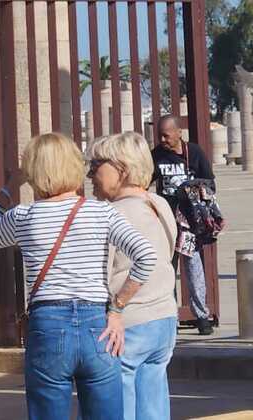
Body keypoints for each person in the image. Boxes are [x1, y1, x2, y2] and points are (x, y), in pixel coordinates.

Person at [0, 132, 157, 420]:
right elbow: (146, 256)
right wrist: (118, 309)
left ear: (34, 171)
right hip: (98, 324)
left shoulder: (23, 217)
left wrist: (10, 186)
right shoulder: (102, 213)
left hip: (47, 324)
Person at [86, 132, 178, 420]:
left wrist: (116, 307)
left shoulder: (111, 215)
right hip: (164, 318)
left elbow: (101, 271)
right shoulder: (159, 204)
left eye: (97, 164)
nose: (90, 173)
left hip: (128, 324)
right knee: (153, 405)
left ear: (121, 169)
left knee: (118, 407)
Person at [151, 115, 215, 335]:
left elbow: (210, 182)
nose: (162, 140)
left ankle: (202, 316)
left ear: (179, 133)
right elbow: (144, 181)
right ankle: (170, 316)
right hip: (166, 222)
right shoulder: (156, 155)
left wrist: (194, 190)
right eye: (159, 135)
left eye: (166, 135)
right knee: (168, 269)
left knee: (194, 268)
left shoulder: (194, 153)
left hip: (188, 223)